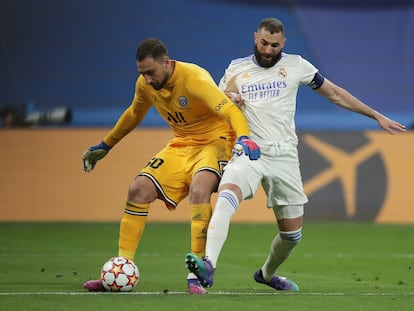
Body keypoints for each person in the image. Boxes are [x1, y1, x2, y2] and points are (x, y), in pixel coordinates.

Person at [185, 17, 406, 292]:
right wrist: (230, 100)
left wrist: (375, 115)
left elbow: (335, 94)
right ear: (256, 37)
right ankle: (208, 266)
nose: (268, 50)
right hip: (250, 152)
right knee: (227, 197)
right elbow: (217, 106)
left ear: (283, 44)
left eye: (274, 45)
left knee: (291, 235)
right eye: (264, 43)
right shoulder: (236, 70)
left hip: (285, 156)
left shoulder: (297, 65)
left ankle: (266, 275)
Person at [81, 38, 260, 294]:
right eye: (142, 73)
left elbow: (230, 110)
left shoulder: (194, 77)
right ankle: (121, 268)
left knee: (200, 190)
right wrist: (105, 145)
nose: (147, 79)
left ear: (166, 62)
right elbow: (134, 114)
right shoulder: (145, 84)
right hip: (182, 144)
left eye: (151, 72)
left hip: (215, 141)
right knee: (138, 189)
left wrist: (244, 137)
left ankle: (196, 275)